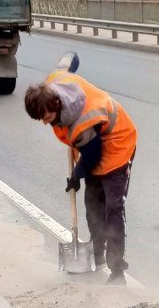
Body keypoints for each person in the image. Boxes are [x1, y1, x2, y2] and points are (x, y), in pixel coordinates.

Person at [24, 53, 137, 285]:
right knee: (93, 205)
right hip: (92, 146)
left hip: (117, 145)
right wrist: (71, 57)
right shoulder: (54, 84)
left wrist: (77, 174)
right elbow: (68, 62)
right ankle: (97, 255)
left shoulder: (82, 123)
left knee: (113, 207)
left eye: (46, 117)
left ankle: (117, 271)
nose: (45, 122)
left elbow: (92, 157)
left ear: (56, 104)